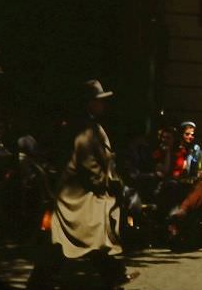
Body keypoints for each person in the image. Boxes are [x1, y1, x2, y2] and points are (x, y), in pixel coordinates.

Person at [28, 80, 135, 290]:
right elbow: (88, 161)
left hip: (81, 193)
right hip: (81, 195)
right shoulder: (84, 128)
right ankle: (111, 275)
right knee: (86, 236)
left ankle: (112, 275)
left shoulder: (85, 125)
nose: (103, 105)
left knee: (92, 237)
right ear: (90, 103)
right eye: (99, 101)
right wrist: (105, 182)